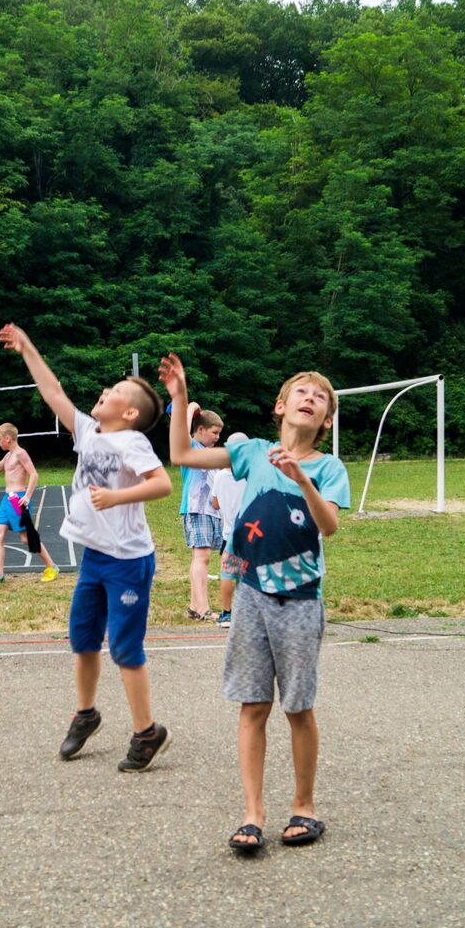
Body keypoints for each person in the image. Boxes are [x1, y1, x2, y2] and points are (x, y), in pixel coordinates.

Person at [162, 354, 350, 853]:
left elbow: (327, 525)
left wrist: (300, 477)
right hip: (248, 598)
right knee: (252, 706)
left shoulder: (329, 468)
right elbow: (182, 454)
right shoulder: (253, 452)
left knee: (299, 707)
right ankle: (252, 814)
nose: (310, 399)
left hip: (301, 601)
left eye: (320, 398)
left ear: (326, 420)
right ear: (281, 406)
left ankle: (305, 807)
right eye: (302, 393)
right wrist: (181, 398)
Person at [0, 324, 174, 772]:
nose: (104, 390)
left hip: (129, 561)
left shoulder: (132, 442)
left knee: (125, 649)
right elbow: (52, 390)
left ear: (130, 413)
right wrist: (28, 347)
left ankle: (146, 732)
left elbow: (162, 484)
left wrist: (116, 497)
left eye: (116, 390)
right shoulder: (90, 430)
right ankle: (86, 714)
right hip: (96, 557)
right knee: (82, 641)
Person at [0, 422, 60, 585]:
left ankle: (52, 566)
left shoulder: (20, 453)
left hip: (18, 498)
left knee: (26, 538)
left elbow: (34, 475)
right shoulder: (8, 455)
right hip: (7, 499)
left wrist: (28, 496)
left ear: (8, 438)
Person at [180, 407, 225, 620]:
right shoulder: (189, 447)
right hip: (196, 509)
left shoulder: (211, 454)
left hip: (211, 511)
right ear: (200, 429)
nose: (218, 437)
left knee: (203, 557)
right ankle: (202, 608)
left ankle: (194, 605)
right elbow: (179, 429)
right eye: (214, 432)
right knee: (202, 556)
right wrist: (190, 407)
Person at [207, 432, 249, 628]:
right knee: (248, 576)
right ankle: (247, 612)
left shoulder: (220, 476)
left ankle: (226, 613)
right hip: (250, 533)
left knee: (228, 574)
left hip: (228, 534)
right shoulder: (250, 476)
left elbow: (215, 504)